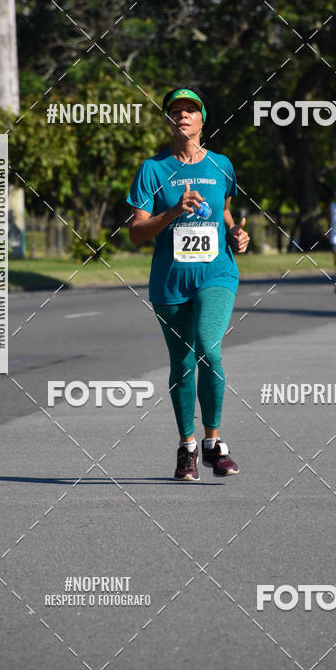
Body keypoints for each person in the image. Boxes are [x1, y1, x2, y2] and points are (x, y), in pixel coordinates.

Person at [127, 86, 250, 481]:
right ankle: (188, 447)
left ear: (202, 120)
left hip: (217, 273)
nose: (182, 116)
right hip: (170, 281)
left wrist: (236, 235)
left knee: (207, 347)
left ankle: (214, 443)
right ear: (169, 120)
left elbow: (225, 212)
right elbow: (136, 233)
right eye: (175, 111)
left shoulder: (222, 166)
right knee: (182, 362)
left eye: (190, 110)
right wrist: (174, 211)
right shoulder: (153, 169)